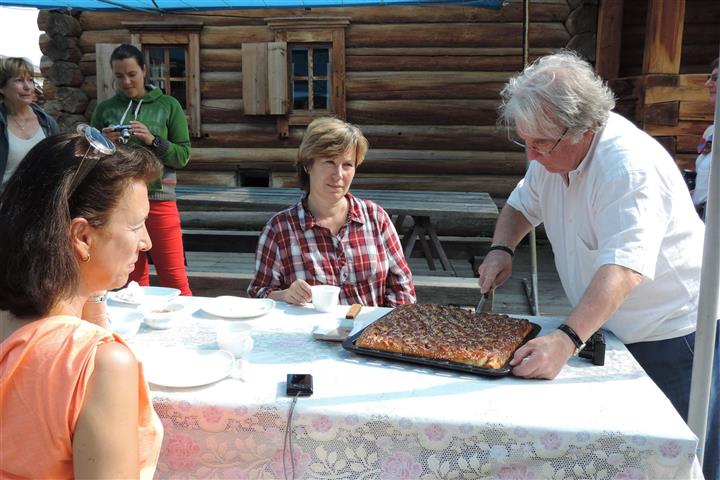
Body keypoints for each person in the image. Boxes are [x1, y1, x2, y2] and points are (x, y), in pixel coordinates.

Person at [477, 51, 718, 480]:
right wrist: (502, 250)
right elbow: (519, 207)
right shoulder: (551, 152)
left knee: (681, 453)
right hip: (608, 328)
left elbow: (623, 268)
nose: (531, 156)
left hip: (672, 334)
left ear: (582, 129)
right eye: (524, 142)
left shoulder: (627, 166)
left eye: (540, 145)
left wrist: (566, 339)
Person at [0, 127, 163, 478]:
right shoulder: (100, 365)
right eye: (136, 226)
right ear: (82, 236)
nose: (146, 242)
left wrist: (88, 292)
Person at [247, 117, 416, 307]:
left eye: (347, 165)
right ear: (308, 165)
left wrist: (381, 333)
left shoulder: (376, 219)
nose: (338, 175)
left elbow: (403, 291)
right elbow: (258, 295)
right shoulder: (280, 229)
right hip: (305, 335)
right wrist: (285, 295)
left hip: (371, 334)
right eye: (329, 162)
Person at [91, 43, 192, 295]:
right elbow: (88, 155)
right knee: (130, 282)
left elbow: (183, 156)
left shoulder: (168, 105)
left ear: (144, 70)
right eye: (119, 76)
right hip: (118, 202)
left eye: (132, 74)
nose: (126, 81)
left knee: (175, 278)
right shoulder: (105, 109)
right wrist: (102, 142)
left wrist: (153, 140)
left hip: (160, 200)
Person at [1, 57, 59, 187]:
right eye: (19, 80)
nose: (28, 87)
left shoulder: (48, 123)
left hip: (41, 203)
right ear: (2, 87)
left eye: (30, 80)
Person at [692, 57, 718, 221]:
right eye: (709, 77)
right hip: (703, 217)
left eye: (715, 78)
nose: (708, 84)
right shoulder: (711, 131)